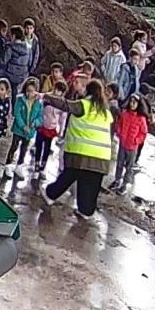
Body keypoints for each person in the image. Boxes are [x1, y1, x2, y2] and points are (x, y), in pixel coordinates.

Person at [42, 79, 117, 218]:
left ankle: (50, 194)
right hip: (101, 157)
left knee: (68, 176)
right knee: (91, 185)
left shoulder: (84, 105)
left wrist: (46, 96)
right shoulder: (106, 112)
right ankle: (86, 211)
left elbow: (64, 105)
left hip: (81, 153)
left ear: (88, 91)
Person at [109, 94, 150, 194]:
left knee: (129, 166)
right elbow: (119, 124)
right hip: (123, 144)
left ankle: (124, 184)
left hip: (132, 147)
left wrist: (136, 141)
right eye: (130, 102)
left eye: (134, 102)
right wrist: (119, 132)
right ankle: (117, 180)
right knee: (119, 163)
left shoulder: (141, 118)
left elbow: (143, 133)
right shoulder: (125, 114)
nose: (132, 104)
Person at [3, 78, 43, 179]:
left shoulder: (39, 102)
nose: (30, 94)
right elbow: (17, 113)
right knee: (14, 146)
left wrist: (35, 123)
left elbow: (40, 117)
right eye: (28, 91)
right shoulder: (20, 99)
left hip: (30, 131)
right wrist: (23, 126)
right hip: (18, 129)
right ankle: (8, 165)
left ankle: (19, 166)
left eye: (32, 91)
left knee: (24, 149)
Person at [31, 79, 68, 178]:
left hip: (52, 128)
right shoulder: (47, 97)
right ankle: (36, 166)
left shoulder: (62, 103)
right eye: (56, 89)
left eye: (60, 91)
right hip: (41, 125)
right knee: (38, 146)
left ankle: (43, 167)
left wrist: (61, 131)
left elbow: (63, 118)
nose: (57, 92)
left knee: (47, 148)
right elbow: (39, 100)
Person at [0, 24, 35, 91]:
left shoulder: (10, 47)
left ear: (13, 36)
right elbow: (30, 62)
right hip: (23, 75)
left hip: (9, 74)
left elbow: (4, 61)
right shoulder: (28, 48)